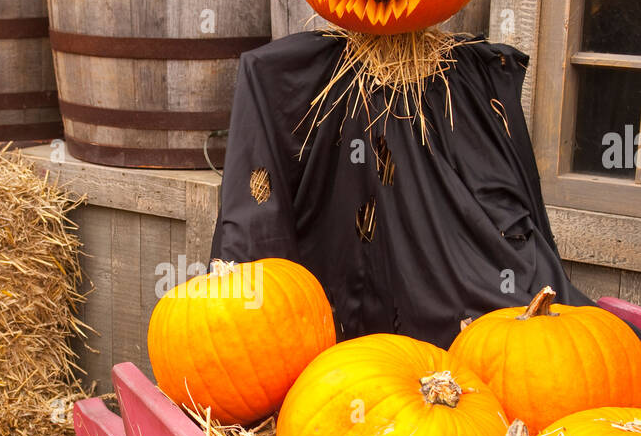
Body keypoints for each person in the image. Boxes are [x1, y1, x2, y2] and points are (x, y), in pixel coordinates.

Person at [210, 27, 598, 348]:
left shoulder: (459, 80)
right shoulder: (294, 73)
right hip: (334, 333)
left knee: (535, 341)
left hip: (446, 345)